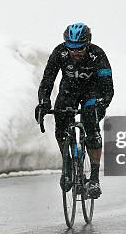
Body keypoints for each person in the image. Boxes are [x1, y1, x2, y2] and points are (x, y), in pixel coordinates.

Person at [35, 23, 114, 199]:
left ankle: (94, 178)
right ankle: (68, 166)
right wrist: (43, 102)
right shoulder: (59, 52)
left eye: (79, 48)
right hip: (69, 90)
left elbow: (108, 87)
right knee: (60, 126)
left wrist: (102, 104)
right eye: (71, 47)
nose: (75, 52)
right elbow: (48, 80)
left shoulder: (97, 54)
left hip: (92, 92)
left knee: (91, 126)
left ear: (88, 44)